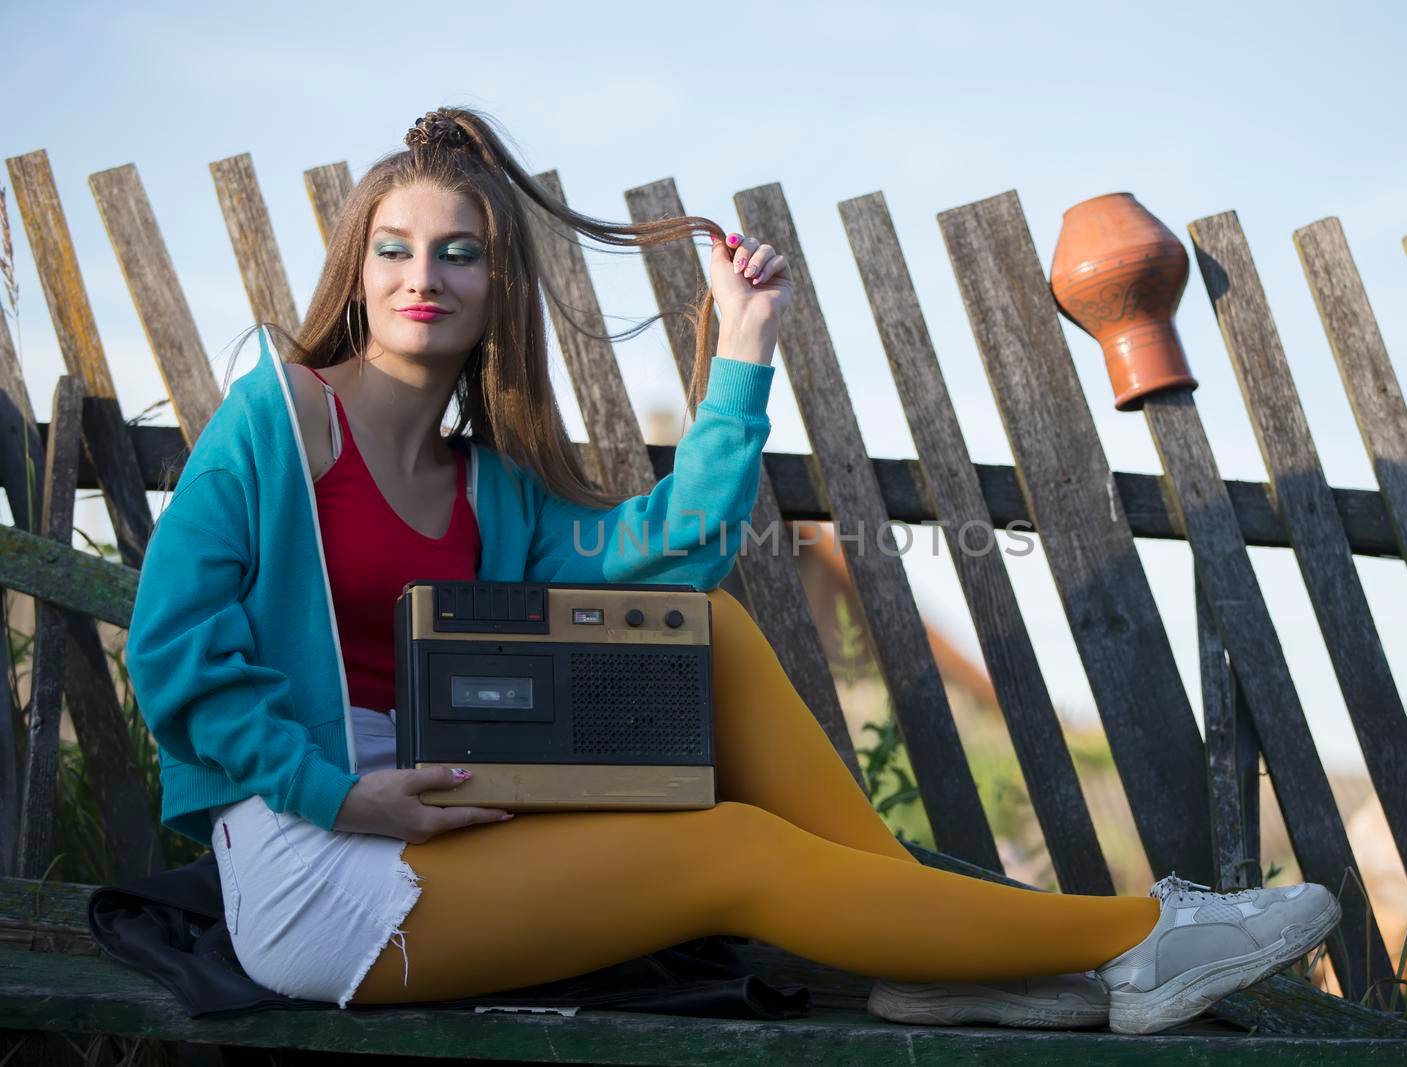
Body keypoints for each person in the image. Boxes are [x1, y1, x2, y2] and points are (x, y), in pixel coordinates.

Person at [124, 106, 1339, 1036]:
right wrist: (340, 795)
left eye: (457, 254)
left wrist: (742, 354)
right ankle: (1147, 931)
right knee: (733, 847)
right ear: (360, 265)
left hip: (457, 818)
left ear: (497, 291)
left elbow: (676, 554)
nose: (422, 277)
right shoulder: (274, 426)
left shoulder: (485, 489)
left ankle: (931, 959)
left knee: (707, 629)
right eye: (394, 249)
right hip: (317, 861)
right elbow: (173, 647)